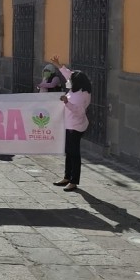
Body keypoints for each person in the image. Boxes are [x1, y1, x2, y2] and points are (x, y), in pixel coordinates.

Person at [50, 55, 92, 192]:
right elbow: (69, 74)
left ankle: (74, 181)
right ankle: (67, 177)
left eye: (71, 81)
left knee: (74, 154)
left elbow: (79, 112)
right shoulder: (75, 88)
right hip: (68, 124)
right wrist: (58, 65)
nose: (69, 81)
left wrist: (67, 103)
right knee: (68, 152)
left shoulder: (82, 95)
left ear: (77, 83)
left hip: (76, 126)